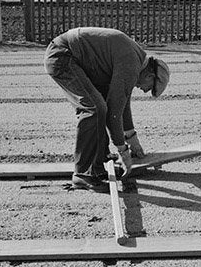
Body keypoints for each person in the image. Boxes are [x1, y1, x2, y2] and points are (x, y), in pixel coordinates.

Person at [45, 26, 171, 191]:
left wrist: (132, 139)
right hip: (63, 56)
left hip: (71, 56)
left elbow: (122, 105)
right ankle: (83, 174)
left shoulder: (135, 60)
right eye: (149, 88)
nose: (144, 90)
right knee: (94, 108)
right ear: (150, 75)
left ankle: (97, 166)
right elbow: (114, 113)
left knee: (100, 106)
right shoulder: (131, 64)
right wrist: (123, 151)